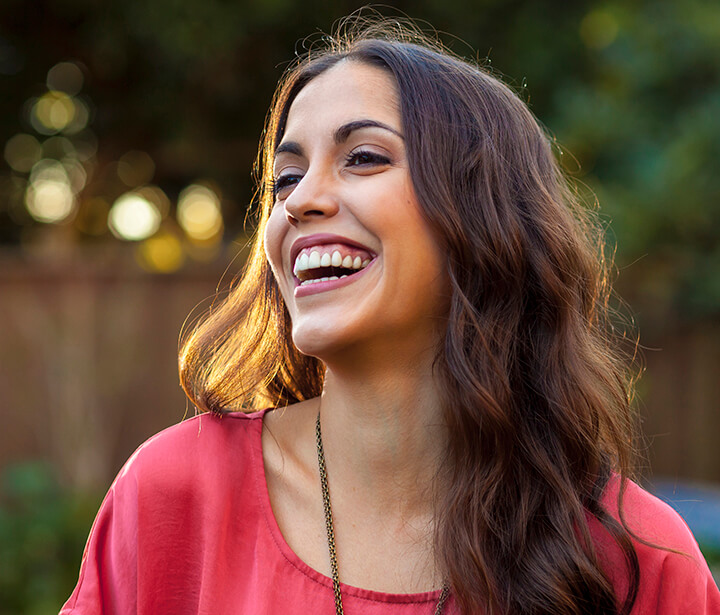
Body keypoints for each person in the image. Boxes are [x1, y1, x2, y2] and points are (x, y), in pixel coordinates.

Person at [61, 18, 720, 615]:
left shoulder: (639, 559)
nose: (300, 201)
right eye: (285, 178)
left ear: (485, 218)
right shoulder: (177, 493)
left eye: (364, 157)